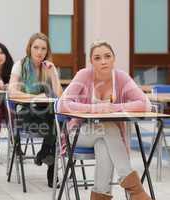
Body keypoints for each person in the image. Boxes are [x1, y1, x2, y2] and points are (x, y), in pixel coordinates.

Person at [57, 40, 152, 200]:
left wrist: (114, 108)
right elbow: (62, 105)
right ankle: (135, 191)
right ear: (91, 62)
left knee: (104, 143)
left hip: (106, 137)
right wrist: (95, 109)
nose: (103, 61)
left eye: (107, 56)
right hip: (78, 135)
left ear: (114, 58)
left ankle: (100, 196)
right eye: (98, 58)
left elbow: (145, 104)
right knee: (108, 127)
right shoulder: (83, 75)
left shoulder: (121, 77)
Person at [8, 32, 62, 188]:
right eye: (36, 47)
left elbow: (60, 96)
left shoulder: (49, 67)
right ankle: (47, 160)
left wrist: (53, 74)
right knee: (55, 124)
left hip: (46, 115)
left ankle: (44, 153)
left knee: (57, 118)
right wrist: (35, 98)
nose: (39, 52)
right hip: (25, 113)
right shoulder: (20, 65)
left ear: (47, 51)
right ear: (29, 48)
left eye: (43, 48)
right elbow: (12, 92)